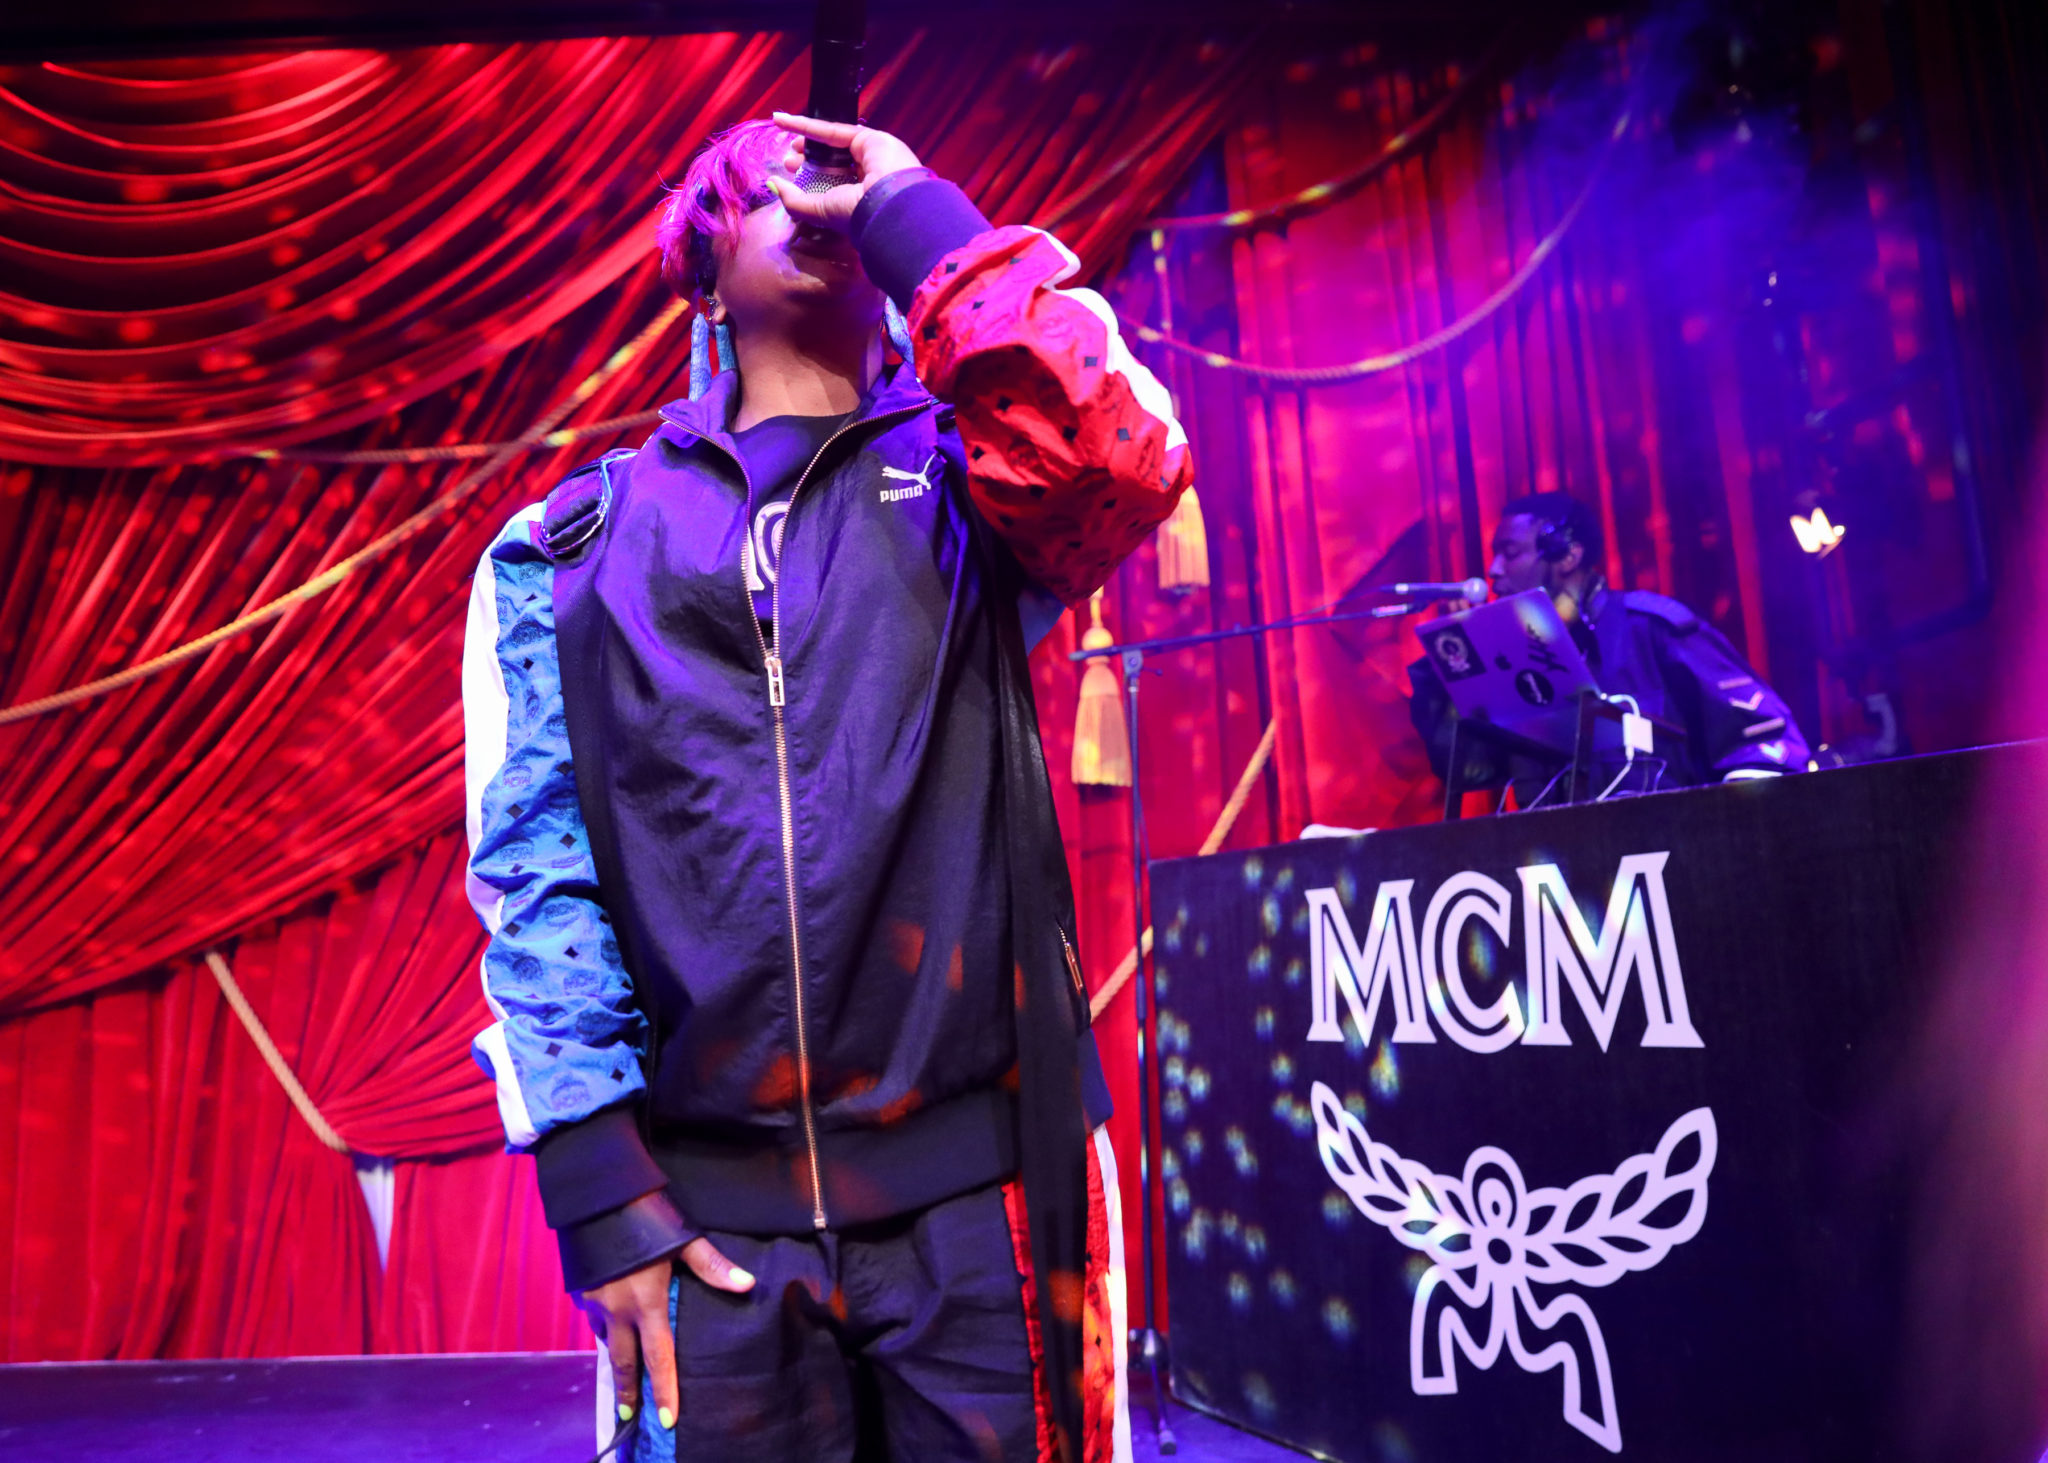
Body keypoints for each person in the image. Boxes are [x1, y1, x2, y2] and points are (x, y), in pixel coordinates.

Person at [461, 111, 1190, 1462]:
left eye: (832, 185)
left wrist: (915, 215)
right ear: (701, 274)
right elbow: (535, 869)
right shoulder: (568, 546)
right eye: (766, 190)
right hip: (708, 1223)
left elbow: (1118, 451)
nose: (810, 202)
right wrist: (600, 1185)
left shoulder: (977, 487)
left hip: (984, 1204)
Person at [1408, 491, 1809, 805]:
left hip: (1671, 860)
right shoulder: (1510, 659)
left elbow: (1763, 735)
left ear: (1567, 555)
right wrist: (1450, 668)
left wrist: (1728, 823)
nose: (1494, 569)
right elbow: (1472, 771)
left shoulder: (1650, 628)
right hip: (1562, 867)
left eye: (1510, 553)